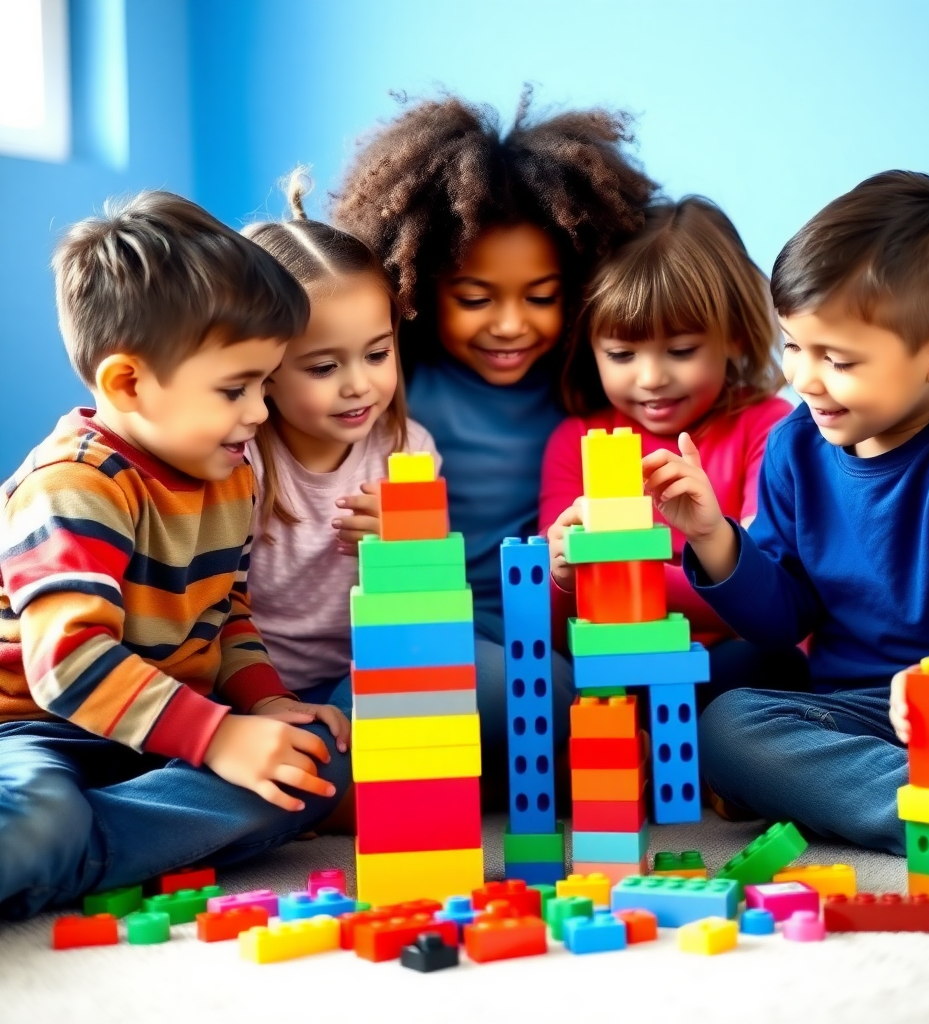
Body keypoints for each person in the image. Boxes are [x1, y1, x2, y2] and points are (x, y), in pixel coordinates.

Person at [642, 171, 929, 865]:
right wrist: (711, 533)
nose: (802, 378)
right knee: (726, 727)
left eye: (837, 360)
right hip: (863, 707)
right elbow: (783, 618)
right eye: (793, 345)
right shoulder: (797, 444)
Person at [0, 192, 350, 919]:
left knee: (306, 771)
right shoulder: (73, 483)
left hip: (155, 737)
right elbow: (64, 664)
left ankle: (63, 861)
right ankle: (62, 847)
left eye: (264, 383)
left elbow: (225, 614)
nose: (258, 412)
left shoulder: (231, 469)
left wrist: (266, 703)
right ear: (128, 382)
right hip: (33, 732)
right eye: (235, 389)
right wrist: (218, 735)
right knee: (38, 819)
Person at [332, 90, 659, 759]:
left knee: (565, 708)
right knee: (428, 699)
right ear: (415, 284)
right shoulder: (391, 386)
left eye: (541, 297)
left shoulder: (584, 390)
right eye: (475, 299)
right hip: (421, 631)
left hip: (544, 642)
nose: (510, 325)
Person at [540, 198, 802, 704]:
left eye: (681, 351)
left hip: (726, 667)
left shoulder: (768, 429)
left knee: (771, 663)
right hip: (611, 668)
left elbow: (765, 598)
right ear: (589, 347)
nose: (652, 378)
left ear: (736, 337)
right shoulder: (573, 444)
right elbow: (555, 618)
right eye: (621, 354)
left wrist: (616, 570)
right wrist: (565, 576)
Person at [243, 171, 438, 734]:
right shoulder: (245, 461)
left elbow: (422, 609)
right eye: (324, 367)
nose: (358, 385)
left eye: (377, 354)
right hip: (253, 687)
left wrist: (409, 547)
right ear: (265, 371)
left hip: (366, 675)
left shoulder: (408, 449)